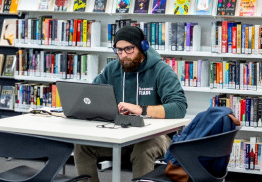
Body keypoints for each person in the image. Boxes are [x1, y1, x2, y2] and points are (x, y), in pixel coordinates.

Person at [74, 26, 188, 181]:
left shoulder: (161, 70)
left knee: (143, 150)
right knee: (82, 146)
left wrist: (141, 109)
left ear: (142, 47)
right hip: (120, 133)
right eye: (119, 50)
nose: (124, 55)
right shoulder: (111, 69)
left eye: (129, 49)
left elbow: (179, 108)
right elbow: (91, 96)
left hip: (156, 136)